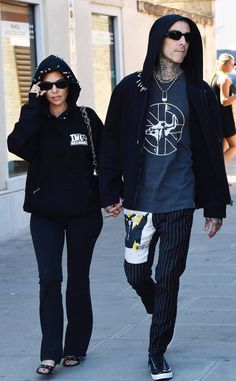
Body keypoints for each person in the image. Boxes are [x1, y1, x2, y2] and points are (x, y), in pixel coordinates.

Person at [99, 14, 231, 381]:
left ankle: (157, 351)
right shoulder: (130, 88)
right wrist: (110, 192)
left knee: (170, 277)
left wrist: (215, 206)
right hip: (139, 203)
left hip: (179, 200)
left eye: (188, 37)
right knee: (136, 274)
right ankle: (156, 303)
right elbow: (109, 144)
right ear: (159, 38)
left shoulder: (200, 93)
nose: (182, 42)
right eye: (174, 35)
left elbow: (210, 152)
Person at [8, 55, 103, 376]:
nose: (55, 90)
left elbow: (107, 161)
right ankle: (50, 353)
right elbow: (16, 144)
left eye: (60, 83)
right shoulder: (34, 120)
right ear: (39, 89)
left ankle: (75, 348)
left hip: (84, 214)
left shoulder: (86, 118)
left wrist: (112, 197)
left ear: (70, 84)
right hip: (45, 214)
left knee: (78, 279)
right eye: (47, 86)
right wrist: (32, 105)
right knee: (49, 279)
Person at [211, 53, 236, 164]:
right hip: (225, 118)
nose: (233, 67)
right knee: (234, 146)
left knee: (221, 149)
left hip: (218, 117)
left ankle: (219, 179)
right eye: (231, 64)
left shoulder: (215, 76)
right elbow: (224, 101)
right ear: (224, 64)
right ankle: (218, 169)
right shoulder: (224, 79)